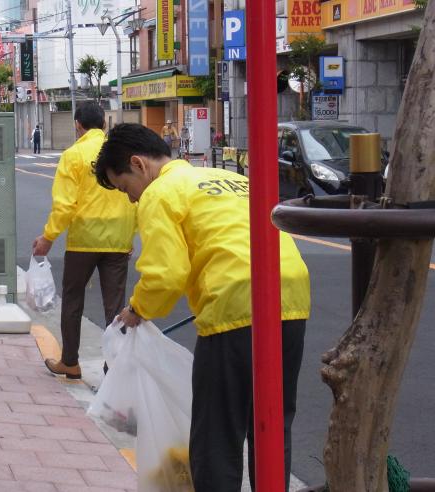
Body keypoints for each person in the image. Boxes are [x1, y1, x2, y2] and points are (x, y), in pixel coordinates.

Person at [93, 123, 311, 492]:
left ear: (138, 164)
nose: (130, 199)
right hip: (290, 296)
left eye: (125, 188)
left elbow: (165, 275)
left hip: (233, 304)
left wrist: (137, 309)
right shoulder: (224, 178)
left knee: (217, 435)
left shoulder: (160, 193)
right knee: (272, 425)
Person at [32, 102, 137, 380]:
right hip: (118, 238)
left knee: (73, 299)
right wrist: (131, 234)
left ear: (78, 125)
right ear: (104, 124)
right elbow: (137, 195)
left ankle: (70, 361)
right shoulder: (122, 153)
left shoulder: (74, 155)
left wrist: (48, 237)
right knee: (114, 307)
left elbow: (64, 205)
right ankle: (112, 367)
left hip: (84, 240)